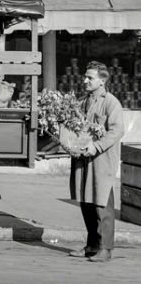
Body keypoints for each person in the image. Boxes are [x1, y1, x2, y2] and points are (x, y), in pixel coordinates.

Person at [68, 61, 124, 262]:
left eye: (90, 78)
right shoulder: (83, 101)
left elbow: (117, 131)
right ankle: (92, 245)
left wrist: (97, 146)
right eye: (85, 76)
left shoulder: (110, 102)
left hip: (101, 160)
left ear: (102, 80)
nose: (85, 80)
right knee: (86, 202)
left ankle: (105, 249)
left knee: (102, 205)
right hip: (83, 160)